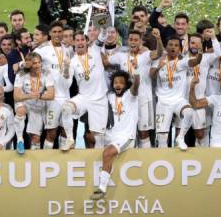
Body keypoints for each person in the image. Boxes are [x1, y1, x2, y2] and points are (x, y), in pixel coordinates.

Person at [105, 29, 163, 148]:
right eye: (131, 39)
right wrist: (97, 45)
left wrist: (158, 39)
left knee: (143, 132)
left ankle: (146, 161)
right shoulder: (121, 56)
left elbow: (159, 53)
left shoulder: (146, 55)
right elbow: (105, 62)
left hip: (142, 98)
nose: (133, 42)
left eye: (136, 40)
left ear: (141, 42)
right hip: (127, 100)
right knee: (126, 132)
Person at [90, 70, 140, 200]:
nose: (118, 85)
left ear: (126, 85)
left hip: (126, 137)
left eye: (121, 83)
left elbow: (136, 86)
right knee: (90, 136)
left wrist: (137, 74)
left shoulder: (131, 96)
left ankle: (102, 188)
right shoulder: (109, 97)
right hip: (111, 135)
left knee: (107, 153)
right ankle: (107, 167)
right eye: (116, 82)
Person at [61, 28, 111, 150]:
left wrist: (103, 25)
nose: (80, 42)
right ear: (73, 43)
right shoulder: (72, 61)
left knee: (99, 138)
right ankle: (70, 139)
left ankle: (98, 165)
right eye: (77, 40)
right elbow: (67, 83)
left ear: (86, 41)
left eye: (82, 39)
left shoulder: (95, 51)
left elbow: (103, 36)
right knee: (66, 108)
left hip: (100, 100)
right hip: (84, 98)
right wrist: (66, 68)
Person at [150, 35, 199, 149]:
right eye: (170, 45)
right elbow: (151, 76)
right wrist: (158, 67)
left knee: (189, 112)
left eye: (176, 45)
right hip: (163, 103)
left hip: (178, 101)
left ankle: (180, 137)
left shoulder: (182, 62)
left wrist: (200, 50)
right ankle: (162, 162)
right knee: (162, 138)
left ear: (180, 49)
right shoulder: (159, 60)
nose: (173, 47)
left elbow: (196, 61)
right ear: (166, 47)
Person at [34, 21, 74, 150]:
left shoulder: (68, 49)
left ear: (63, 33)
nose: (57, 34)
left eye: (60, 32)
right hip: (52, 97)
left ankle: (63, 161)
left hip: (66, 96)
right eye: (54, 32)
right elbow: (30, 62)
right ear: (50, 33)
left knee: (65, 132)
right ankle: (46, 159)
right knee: (51, 133)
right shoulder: (42, 49)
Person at [13, 52, 55, 153]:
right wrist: (29, 96)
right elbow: (16, 96)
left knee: (35, 138)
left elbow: (51, 95)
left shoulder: (47, 73)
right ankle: (20, 140)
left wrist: (39, 95)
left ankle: (37, 159)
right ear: (29, 64)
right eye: (35, 63)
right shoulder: (21, 74)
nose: (38, 65)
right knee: (20, 110)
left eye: (39, 62)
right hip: (24, 100)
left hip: (38, 103)